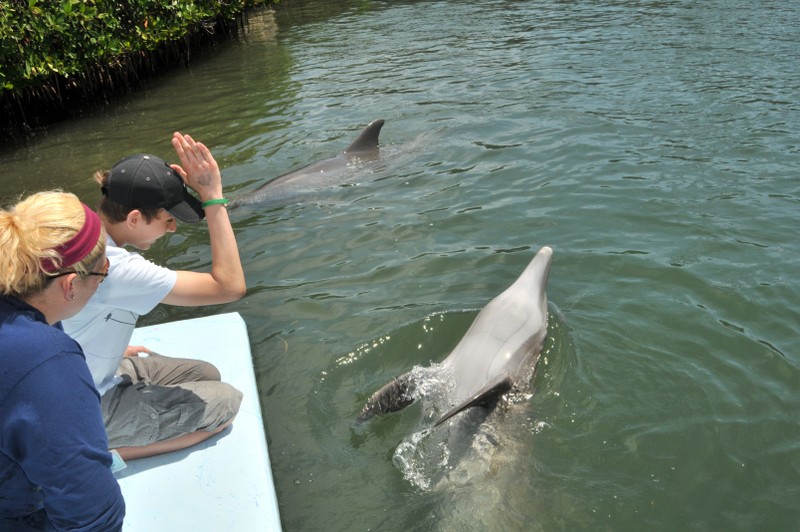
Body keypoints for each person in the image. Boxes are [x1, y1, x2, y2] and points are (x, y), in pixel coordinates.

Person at [63, 132, 246, 461]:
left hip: (81, 373)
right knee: (225, 404)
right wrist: (213, 198)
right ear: (134, 218)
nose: (173, 229)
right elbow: (229, 286)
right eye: (168, 219)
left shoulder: (80, 230)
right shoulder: (116, 268)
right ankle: (106, 451)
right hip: (82, 408)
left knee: (206, 373)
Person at [0, 191, 125, 531]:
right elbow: (92, 514)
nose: (103, 282)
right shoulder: (48, 360)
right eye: (104, 273)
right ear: (70, 284)